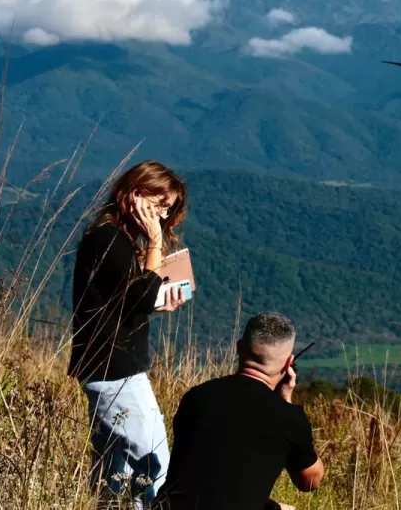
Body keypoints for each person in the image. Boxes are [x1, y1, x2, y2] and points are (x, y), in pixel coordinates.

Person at [69, 160, 190, 508]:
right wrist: (154, 242)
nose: (161, 217)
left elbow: (125, 300)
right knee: (155, 463)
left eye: (167, 210)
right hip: (116, 370)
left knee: (113, 470)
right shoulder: (109, 239)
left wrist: (157, 303)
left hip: (106, 367)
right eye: (158, 204)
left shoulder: (110, 236)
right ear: (135, 194)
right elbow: (141, 294)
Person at [156, 312, 325, 510]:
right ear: (289, 364)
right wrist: (286, 402)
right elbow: (311, 482)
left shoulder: (196, 396)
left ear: (238, 348)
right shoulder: (289, 418)